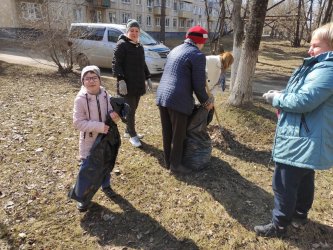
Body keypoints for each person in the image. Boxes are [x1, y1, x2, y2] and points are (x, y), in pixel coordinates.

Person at [254, 22, 333, 237]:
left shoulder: (328, 69)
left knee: (283, 182)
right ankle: (299, 215)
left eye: (315, 46)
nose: (309, 50)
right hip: (306, 136)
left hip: (302, 136)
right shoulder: (320, 67)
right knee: (305, 176)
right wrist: (282, 93)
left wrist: (276, 98)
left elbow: (304, 101)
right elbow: (304, 93)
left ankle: (279, 225)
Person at [156, 25, 214, 174]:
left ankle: (168, 161)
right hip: (178, 99)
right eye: (203, 43)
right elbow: (199, 86)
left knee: (167, 131)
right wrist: (207, 103)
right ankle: (176, 165)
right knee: (178, 134)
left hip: (162, 95)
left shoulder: (175, 49)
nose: (203, 46)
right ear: (199, 41)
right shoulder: (197, 55)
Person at [72, 65, 120, 212]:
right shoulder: (80, 99)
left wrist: (114, 113)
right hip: (89, 140)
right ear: (83, 81)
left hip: (105, 138)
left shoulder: (105, 94)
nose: (91, 81)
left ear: (99, 79)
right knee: (87, 169)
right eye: (87, 78)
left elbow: (111, 109)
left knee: (105, 162)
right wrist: (99, 126)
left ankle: (106, 185)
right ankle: (83, 198)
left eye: (94, 78)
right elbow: (77, 123)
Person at [112, 19, 152, 148]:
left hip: (138, 84)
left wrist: (148, 77)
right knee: (130, 110)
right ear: (127, 31)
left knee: (133, 109)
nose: (134, 33)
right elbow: (116, 64)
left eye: (136, 31)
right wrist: (121, 80)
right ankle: (132, 135)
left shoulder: (139, 46)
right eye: (131, 30)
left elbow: (142, 63)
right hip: (127, 85)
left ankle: (127, 131)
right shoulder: (122, 45)